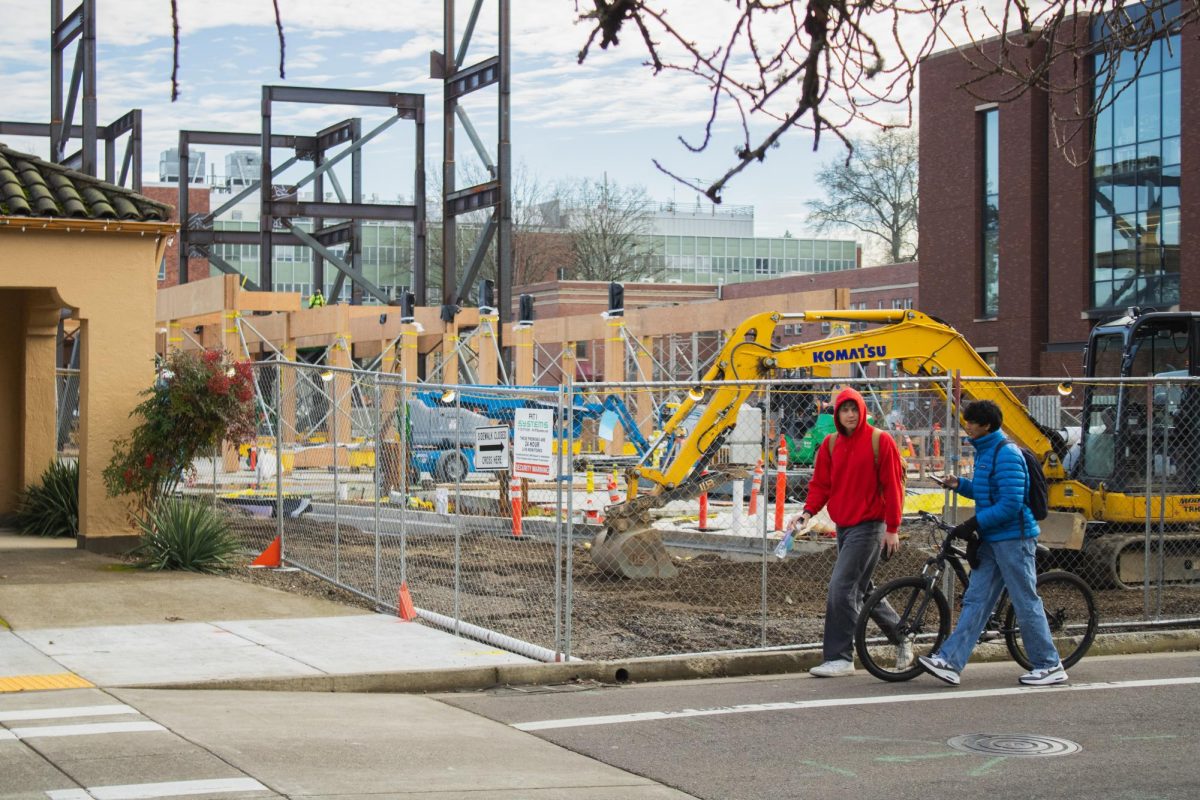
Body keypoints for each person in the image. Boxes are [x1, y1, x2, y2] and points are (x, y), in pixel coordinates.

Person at [918, 399, 1067, 687]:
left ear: (986, 425)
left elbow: (1011, 503)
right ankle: (950, 662)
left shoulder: (1006, 453)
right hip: (994, 538)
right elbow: (988, 494)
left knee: (1025, 601)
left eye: (971, 422)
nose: (967, 426)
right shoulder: (986, 453)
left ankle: (1050, 665)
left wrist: (974, 524)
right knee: (976, 599)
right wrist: (959, 484)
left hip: (1014, 538)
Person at [787, 386, 908, 678]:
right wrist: (806, 514)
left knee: (841, 589)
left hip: (870, 526)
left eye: (854, 409)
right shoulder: (829, 444)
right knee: (862, 589)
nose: (850, 414)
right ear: (837, 414)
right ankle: (903, 636)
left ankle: (840, 657)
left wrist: (892, 528)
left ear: (862, 410)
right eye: (844, 409)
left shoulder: (881, 441)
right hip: (844, 527)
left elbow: (893, 487)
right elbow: (821, 486)